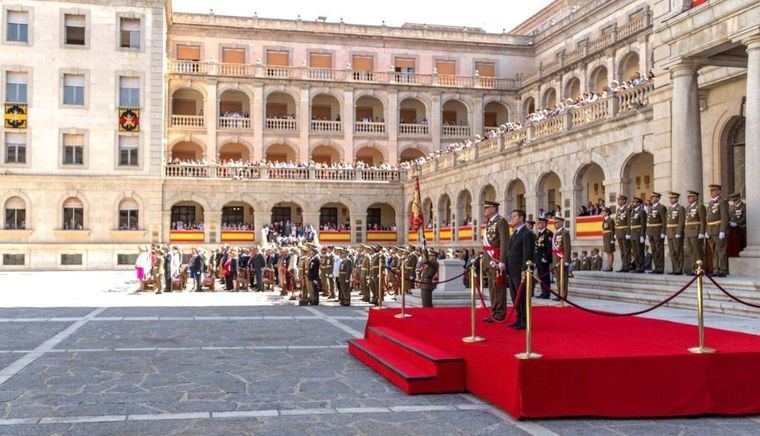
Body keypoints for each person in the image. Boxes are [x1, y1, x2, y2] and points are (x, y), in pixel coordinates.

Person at [506, 210, 535, 330]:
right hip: (512, 270)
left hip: (520, 270)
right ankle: (518, 318)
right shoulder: (515, 233)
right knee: (514, 296)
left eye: (514, 216)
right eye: (511, 216)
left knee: (521, 296)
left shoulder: (527, 233)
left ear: (521, 218)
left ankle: (524, 320)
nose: (512, 218)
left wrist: (525, 269)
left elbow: (527, 253)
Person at [481, 200, 510, 323]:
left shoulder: (501, 221)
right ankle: (494, 311)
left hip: (496, 259)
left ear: (494, 208)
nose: (485, 210)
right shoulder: (489, 223)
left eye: (487, 208)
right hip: (489, 259)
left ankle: (500, 312)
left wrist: (502, 260)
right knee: (492, 288)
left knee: (498, 287)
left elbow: (504, 242)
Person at [705, 184, 730, 276]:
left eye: (714, 190)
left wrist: (722, 230)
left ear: (719, 191)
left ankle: (723, 270)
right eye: (711, 191)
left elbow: (724, 217)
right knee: (714, 251)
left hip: (718, 229)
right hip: (711, 230)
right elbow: (707, 219)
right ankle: (716, 269)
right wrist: (707, 231)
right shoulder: (711, 203)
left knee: (721, 250)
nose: (712, 192)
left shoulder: (722, 202)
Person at [684, 190, 707, 275]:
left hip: (696, 232)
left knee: (698, 251)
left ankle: (699, 268)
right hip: (689, 232)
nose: (688, 198)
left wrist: (702, 232)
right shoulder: (688, 207)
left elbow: (703, 220)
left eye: (690, 197)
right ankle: (694, 268)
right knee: (691, 251)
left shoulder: (700, 207)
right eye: (688, 197)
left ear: (696, 197)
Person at [646, 192, 667, 274]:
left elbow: (664, 221)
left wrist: (663, 232)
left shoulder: (661, 207)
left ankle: (660, 268)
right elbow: (648, 221)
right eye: (651, 197)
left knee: (659, 250)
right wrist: (648, 232)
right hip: (651, 231)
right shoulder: (650, 208)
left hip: (658, 231)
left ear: (658, 198)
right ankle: (656, 267)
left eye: (653, 197)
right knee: (654, 250)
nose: (651, 198)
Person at [551, 216, 571, 300]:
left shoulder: (564, 233)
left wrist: (566, 260)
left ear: (561, 223)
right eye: (554, 223)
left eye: (556, 223)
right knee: (558, 278)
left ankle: (563, 295)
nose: (554, 224)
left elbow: (567, 247)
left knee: (563, 278)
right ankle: (559, 294)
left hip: (562, 258)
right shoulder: (555, 233)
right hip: (556, 259)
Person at [666, 192, 686, 275]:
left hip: (676, 232)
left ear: (677, 199)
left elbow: (681, 221)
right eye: (670, 198)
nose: (671, 200)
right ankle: (674, 268)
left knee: (678, 251)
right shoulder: (669, 208)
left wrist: (679, 232)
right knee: (672, 252)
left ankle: (679, 269)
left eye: (673, 198)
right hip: (670, 232)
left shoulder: (680, 208)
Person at [534, 217, 553, 299]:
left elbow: (549, 247)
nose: (538, 224)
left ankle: (547, 293)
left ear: (545, 224)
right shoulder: (540, 234)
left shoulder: (548, 233)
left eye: (540, 223)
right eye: (538, 223)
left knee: (545, 276)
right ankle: (543, 292)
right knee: (541, 276)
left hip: (544, 259)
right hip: (538, 258)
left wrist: (546, 257)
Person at [629, 197, 647, 273]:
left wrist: (642, 235)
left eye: (634, 202)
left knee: (640, 251)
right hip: (633, 234)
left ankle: (641, 267)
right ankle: (637, 266)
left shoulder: (641, 212)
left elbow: (643, 224)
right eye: (632, 202)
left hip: (639, 234)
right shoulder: (633, 211)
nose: (632, 203)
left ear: (638, 203)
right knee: (635, 252)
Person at [614, 195, 632, 272]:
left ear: (624, 201)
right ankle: (623, 265)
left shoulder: (627, 209)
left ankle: (627, 266)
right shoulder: (618, 210)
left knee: (626, 250)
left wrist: (628, 233)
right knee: (622, 250)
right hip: (619, 232)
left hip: (625, 232)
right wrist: (615, 232)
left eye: (621, 200)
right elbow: (617, 223)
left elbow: (629, 222)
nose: (619, 201)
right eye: (618, 200)